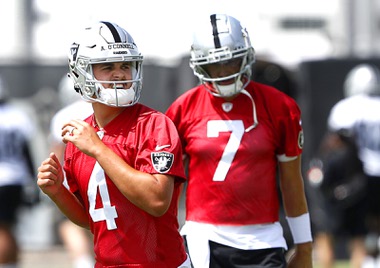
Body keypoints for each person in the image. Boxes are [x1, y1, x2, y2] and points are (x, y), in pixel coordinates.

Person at [37, 21, 191, 267]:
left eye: (125, 66)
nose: (119, 74)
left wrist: (99, 149)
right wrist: (57, 192)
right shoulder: (80, 136)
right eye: (107, 67)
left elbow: (157, 201)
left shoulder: (153, 125)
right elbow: (92, 219)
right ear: (81, 72)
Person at [165, 14, 313, 268]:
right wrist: (166, 240)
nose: (223, 73)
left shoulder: (279, 107)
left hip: (264, 239)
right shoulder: (184, 108)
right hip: (204, 237)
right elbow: (167, 186)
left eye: (230, 62)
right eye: (214, 66)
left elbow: (291, 182)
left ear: (245, 56)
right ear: (200, 65)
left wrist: (305, 246)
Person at [324, 63, 380, 268]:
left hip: (356, 176)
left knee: (356, 230)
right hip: (377, 173)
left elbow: (336, 145)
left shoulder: (344, 109)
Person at [49, 75, 94, 268]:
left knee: (69, 224)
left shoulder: (62, 115)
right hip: (102, 180)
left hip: (72, 183)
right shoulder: (102, 111)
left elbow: (56, 155)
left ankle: (83, 263)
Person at [0, 75, 36, 267]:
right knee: (10, 227)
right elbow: (26, 153)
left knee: (2, 229)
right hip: (16, 178)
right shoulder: (17, 115)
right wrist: (33, 180)